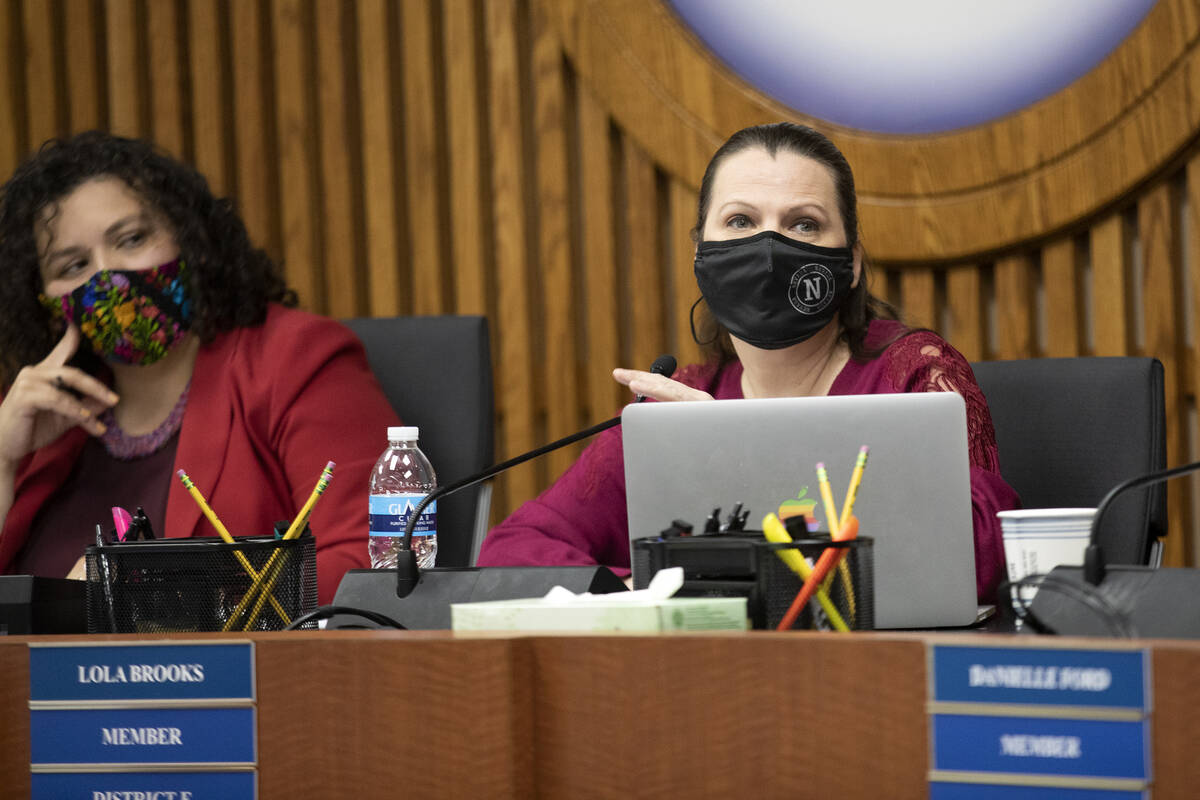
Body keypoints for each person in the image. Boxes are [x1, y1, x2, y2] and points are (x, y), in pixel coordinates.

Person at [478, 121, 1020, 601]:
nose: (768, 247)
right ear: (701, 257)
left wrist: (735, 452)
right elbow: (510, 552)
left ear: (851, 262)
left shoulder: (915, 374)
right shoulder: (680, 405)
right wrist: (641, 589)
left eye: (803, 224)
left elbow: (975, 555)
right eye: (739, 221)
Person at [0, 131, 400, 605]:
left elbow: (377, 562)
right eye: (73, 266)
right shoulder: (33, 419)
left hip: (241, 678)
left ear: (188, 237)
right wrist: (3, 461)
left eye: (131, 239)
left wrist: (150, 596)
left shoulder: (295, 360)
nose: (107, 277)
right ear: (45, 302)